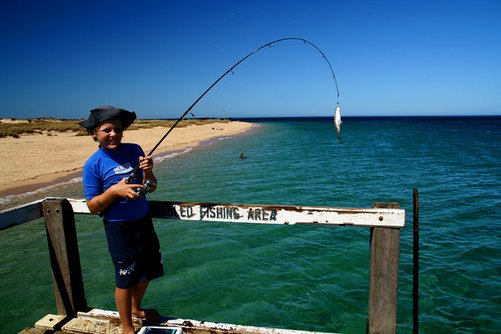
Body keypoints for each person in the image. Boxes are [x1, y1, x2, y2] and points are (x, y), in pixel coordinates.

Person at [80, 106, 164, 334]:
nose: (113, 134)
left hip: (143, 220)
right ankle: (127, 326)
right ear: (93, 134)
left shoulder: (134, 149)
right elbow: (92, 206)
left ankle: (137, 309)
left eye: (117, 129)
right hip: (118, 227)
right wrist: (114, 192)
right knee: (125, 277)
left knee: (148, 269)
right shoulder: (93, 164)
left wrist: (148, 173)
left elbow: (152, 187)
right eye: (107, 130)